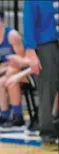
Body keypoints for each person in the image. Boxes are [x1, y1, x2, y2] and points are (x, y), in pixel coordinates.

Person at [23, 0, 59, 145]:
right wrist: (31, 51)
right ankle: (48, 134)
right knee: (48, 88)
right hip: (47, 44)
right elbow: (28, 21)